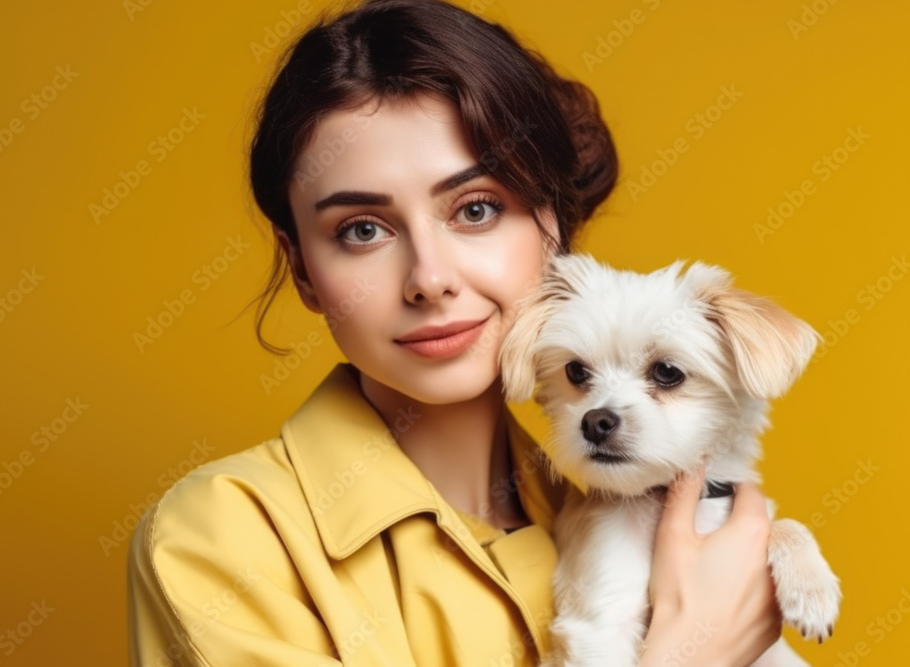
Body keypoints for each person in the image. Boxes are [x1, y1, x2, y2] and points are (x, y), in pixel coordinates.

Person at [127, 0, 784, 665]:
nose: (429, 277)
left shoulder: (631, 501)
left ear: (552, 226)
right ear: (301, 267)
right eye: (362, 229)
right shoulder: (225, 538)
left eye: (476, 209)